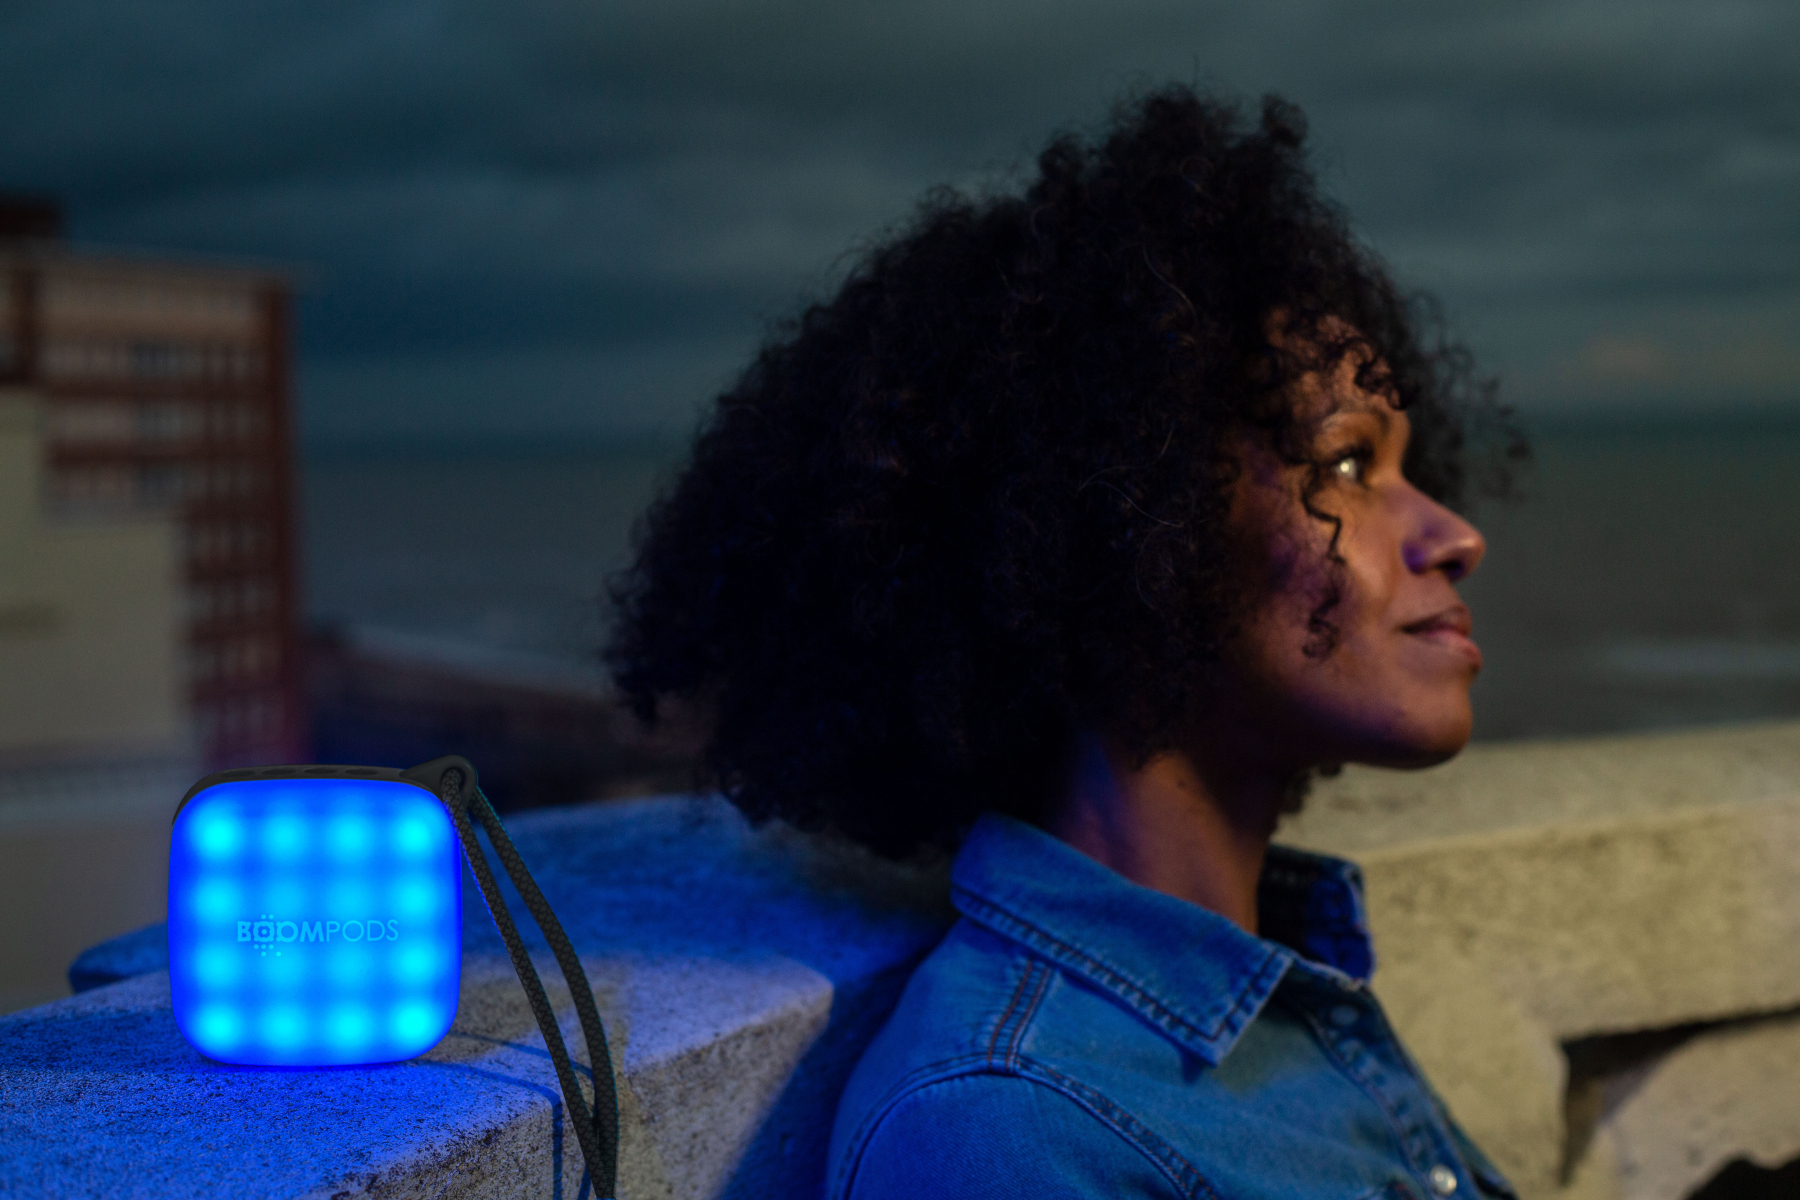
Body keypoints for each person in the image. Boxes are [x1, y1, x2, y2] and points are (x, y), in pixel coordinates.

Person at [605, 84, 1523, 1199]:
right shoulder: (1011, 1135)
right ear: (1129, 529)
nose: (1455, 533)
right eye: (1344, 464)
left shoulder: (1275, 1000)